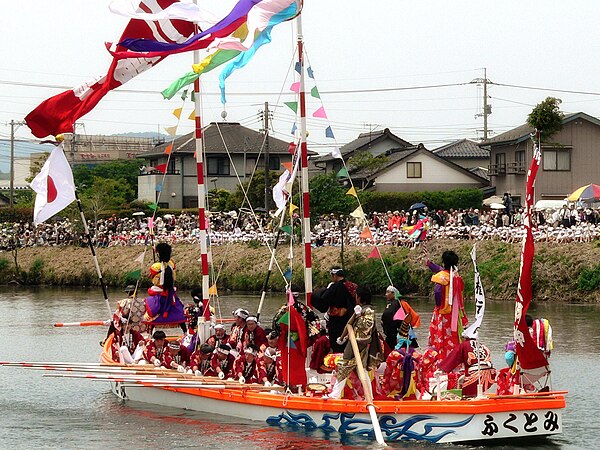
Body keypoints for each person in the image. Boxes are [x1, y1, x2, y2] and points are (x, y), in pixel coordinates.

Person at [329, 286, 383, 399]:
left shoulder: (368, 311)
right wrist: (344, 337)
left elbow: (366, 327)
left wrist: (358, 315)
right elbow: (352, 326)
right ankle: (368, 396)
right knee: (360, 370)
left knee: (345, 366)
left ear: (359, 297)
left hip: (359, 344)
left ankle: (335, 394)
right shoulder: (361, 309)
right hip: (355, 341)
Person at [424, 249, 468, 360]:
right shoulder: (456, 277)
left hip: (443, 311)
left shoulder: (443, 277)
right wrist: (429, 264)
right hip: (455, 312)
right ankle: (454, 357)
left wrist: (439, 305)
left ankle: (441, 358)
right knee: (454, 335)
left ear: (444, 262)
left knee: (441, 336)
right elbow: (439, 270)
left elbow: (438, 292)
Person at [143, 243, 186, 332]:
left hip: (158, 293)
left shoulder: (155, 267)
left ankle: (150, 333)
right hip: (170, 293)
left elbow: (153, 280)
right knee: (179, 311)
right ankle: (185, 331)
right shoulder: (172, 264)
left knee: (150, 313)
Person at [316, 268, 357, 353]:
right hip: (352, 318)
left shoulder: (335, 286)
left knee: (337, 344)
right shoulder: (353, 286)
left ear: (335, 275)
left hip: (337, 321)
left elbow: (324, 300)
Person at [380, 285, 420, 352]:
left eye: (387, 292)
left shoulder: (397, 304)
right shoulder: (402, 303)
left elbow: (387, 316)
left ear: (393, 293)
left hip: (396, 334)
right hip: (403, 332)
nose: (386, 294)